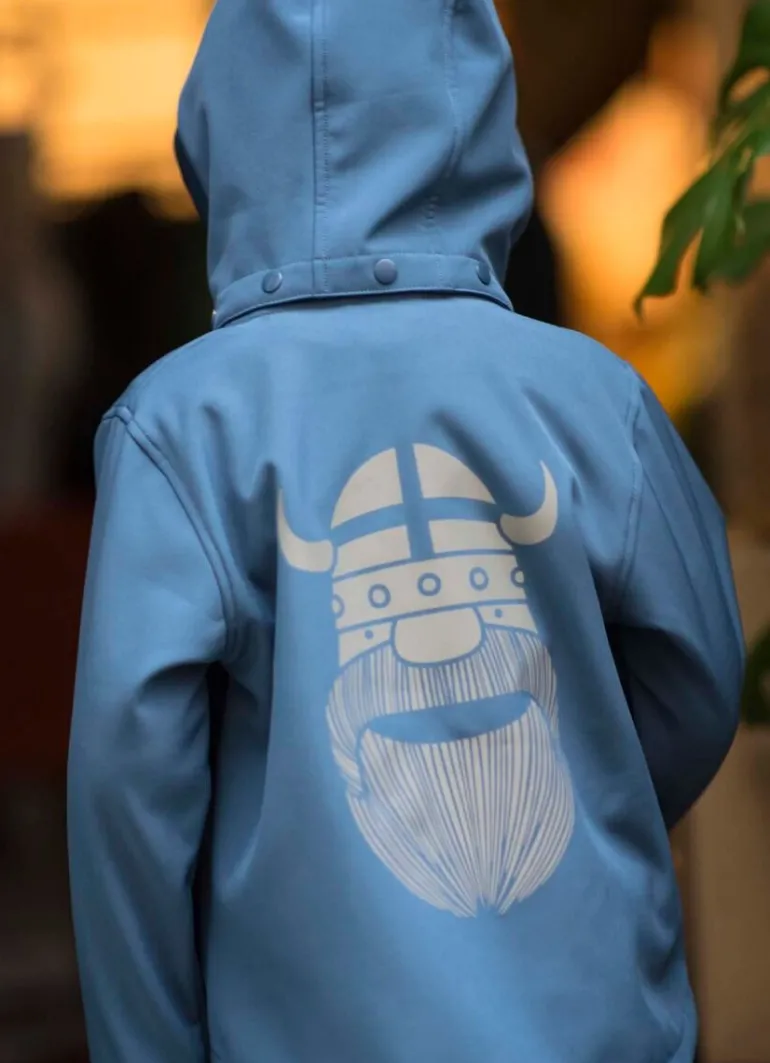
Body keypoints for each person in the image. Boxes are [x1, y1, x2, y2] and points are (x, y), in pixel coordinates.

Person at [68, 2, 744, 1062]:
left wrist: (147, 1041)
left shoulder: (180, 427)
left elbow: (127, 782)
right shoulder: (590, 397)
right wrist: (587, 806)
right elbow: (699, 677)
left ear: (218, 130)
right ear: (476, 116)